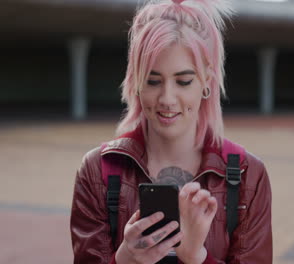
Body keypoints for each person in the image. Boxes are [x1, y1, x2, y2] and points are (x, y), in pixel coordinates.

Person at [70, 0, 273, 263]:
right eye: (153, 81)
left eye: (183, 81)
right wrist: (125, 258)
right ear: (136, 82)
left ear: (206, 81)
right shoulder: (98, 170)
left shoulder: (248, 175)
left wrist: (196, 256)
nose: (167, 98)